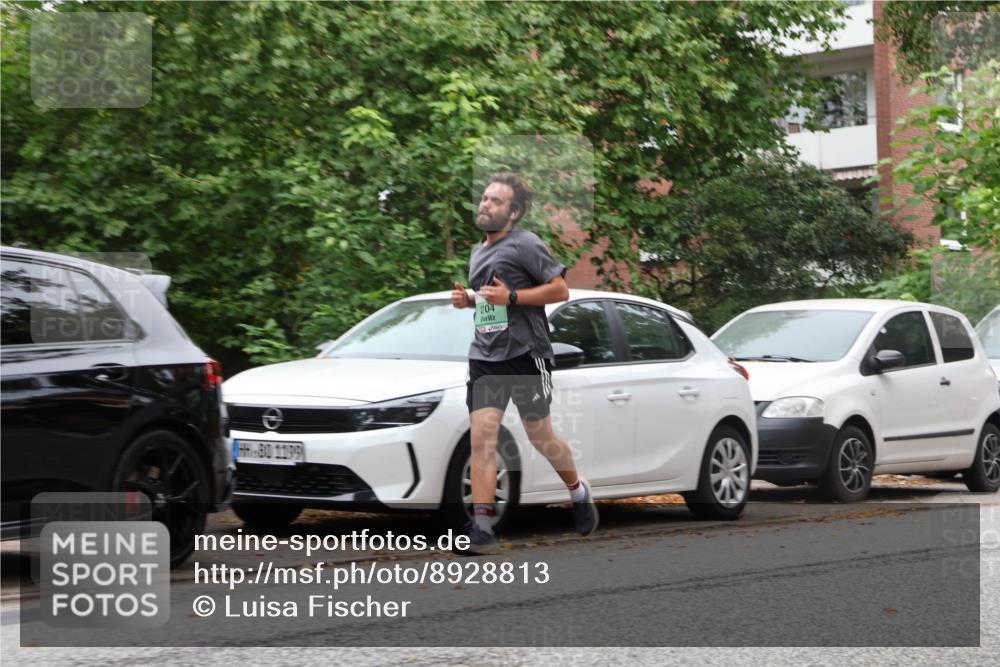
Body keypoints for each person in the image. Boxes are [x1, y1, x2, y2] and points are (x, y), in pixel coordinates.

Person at [450, 172, 598, 555]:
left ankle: (578, 493)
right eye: (484, 198)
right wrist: (471, 299)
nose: (485, 204)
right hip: (485, 356)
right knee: (483, 437)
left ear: (513, 212)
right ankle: (482, 526)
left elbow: (560, 289)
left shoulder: (526, 244)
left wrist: (511, 297)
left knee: (540, 437)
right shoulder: (477, 250)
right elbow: (491, 300)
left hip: (525, 355)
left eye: (495, 201)